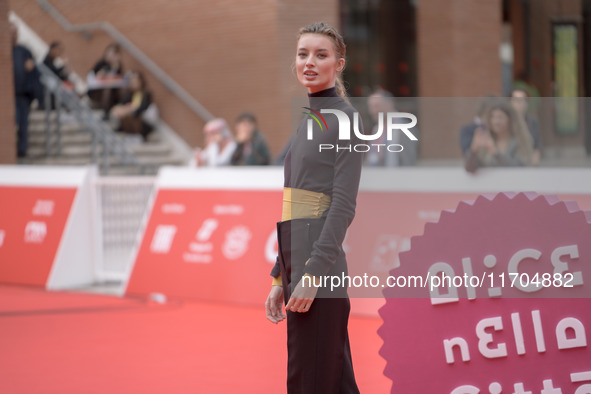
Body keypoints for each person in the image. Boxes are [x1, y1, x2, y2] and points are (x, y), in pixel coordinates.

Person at [264, 22, 362, 393]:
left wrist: (312, 274)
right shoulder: (309, 119)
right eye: (303, 53)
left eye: (321, 55)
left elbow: (343, 206)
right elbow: (294, 207)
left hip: (319, 267)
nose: (309, 62)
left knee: (314, 378)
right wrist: (280, 275)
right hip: (300, 261)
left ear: (338, 64)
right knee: (330, 377)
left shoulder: (347, 120)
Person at [464, 101, 534, 173]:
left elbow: (518, 168)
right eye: (492, 117)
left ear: (510, 119)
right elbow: (469, 168)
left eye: (500, 117)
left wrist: (495, 153)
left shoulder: (519, 142)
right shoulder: (486, 142)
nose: (496, 121)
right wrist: (474, 149)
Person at [365, 88, 418, 166]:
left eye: (377, 106)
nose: (373, 111)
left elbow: (408, 163)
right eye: (371, 107)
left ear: (389, 105)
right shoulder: (375, 129)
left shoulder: (404, 129)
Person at [11, 23, 40, 158]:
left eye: (15, 32)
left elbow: (34, 72)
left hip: (22, 95)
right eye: (11, 32)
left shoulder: (23, 51)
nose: (14, 35)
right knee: (12, 123)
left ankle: (22, 151)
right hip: (8, 97)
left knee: (23, 124)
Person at [109, 70, 153, 141]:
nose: (133, 83)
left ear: (140, 81)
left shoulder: (145, 94)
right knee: (117, 109)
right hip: (128, 114)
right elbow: (122, 103)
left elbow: (143, 107)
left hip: (139, 117)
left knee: (126, 112)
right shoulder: (130, 93)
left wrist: (132, 109)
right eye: (132, 81)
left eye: (135, 81)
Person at [89, 43, 124, 117]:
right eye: (109, 52)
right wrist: (102, 74)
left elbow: (118, 78)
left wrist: (115, 67)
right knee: (107, 89)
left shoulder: (117, 65)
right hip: (97, 90)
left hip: (112, 89)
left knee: (123, 89)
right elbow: (96, 76)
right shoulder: (101, 63)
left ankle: (120, 108)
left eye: (113, 53)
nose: (110, 55)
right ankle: (106, 111)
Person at [510, 88, 542, 165]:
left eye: (522, 100)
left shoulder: (533, 122)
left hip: (528, 162)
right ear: (511, 102)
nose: (519, 103)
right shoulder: (507, 121)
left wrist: (535, 158)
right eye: (516, 100)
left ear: (526, 103)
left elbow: (537, 144)